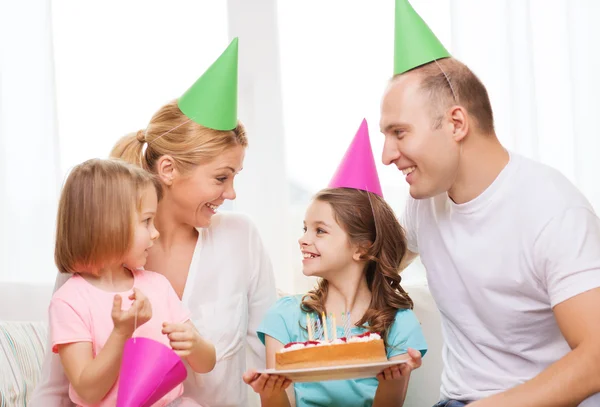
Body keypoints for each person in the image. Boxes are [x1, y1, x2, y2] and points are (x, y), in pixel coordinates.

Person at [31, 38, 277, 407]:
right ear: (168, 169)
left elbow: (265, 361)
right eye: (221, 177)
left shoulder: (241, 239)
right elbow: (59, 384)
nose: (231, 194)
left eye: (235, 177)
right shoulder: (94, 255)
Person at [380, 1, 600, 406]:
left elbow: (595, 357)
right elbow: (374, 266)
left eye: (399, 133)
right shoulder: (424, 205)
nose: (387, 154)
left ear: (457, 123)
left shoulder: (554, 211)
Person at [244, 120, 427, 407]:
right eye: (305, 228)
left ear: (361, 249)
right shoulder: (286, 317)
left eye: (320, 230)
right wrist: (269, 392)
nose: (303, 239)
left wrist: (394, 381)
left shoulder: (397, 324)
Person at [50, 158, 212, 406]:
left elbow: (206, 363)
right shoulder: (69, 301)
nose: (155, 233)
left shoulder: (157, 285)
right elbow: (88, 391)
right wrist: (121, 333)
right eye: (147, 221)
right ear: (109, 225)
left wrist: (195, 344)